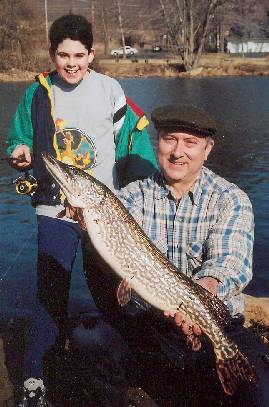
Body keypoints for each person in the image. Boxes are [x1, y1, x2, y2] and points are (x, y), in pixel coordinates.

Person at [5, 14, 157, 407]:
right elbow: (18, 139)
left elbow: (136, 138)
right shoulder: (37, 93)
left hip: (104, 213)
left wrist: (142, 189)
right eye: (62, 55)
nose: (71, 63)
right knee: (50, 294)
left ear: (92, 54)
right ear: (52, 55)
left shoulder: (110, 90)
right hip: (54, 208)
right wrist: (18, 154)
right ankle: (36, 378)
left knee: (113, 291)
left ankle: (129, 365)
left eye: (79, 55)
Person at [75, 104, 269, 406]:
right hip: (149, 326)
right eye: (170, 139)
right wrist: (85, 222)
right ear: (158, 143)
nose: (178, 152)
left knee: (258, 392)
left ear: (207, 150)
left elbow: (232, 262)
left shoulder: (230, 198)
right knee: (88, 342)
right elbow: (107, 248)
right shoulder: (131, 196)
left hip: (214, 325)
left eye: (190, 143)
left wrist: (207, 288)